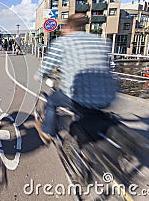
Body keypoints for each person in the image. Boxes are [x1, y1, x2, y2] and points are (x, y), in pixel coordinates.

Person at [34, 13, 117, 144]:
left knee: (51, 102)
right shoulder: (99, 41)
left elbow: (48, 65)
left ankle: (47, 132)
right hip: (107, 96)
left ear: (68, 27)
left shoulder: (62, 42)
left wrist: (39, 75)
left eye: (63, 27)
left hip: (78, 96)